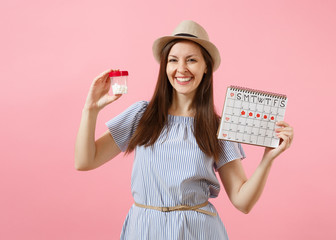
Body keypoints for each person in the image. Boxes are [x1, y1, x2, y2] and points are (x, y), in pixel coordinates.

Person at [75, 20, 294, 240]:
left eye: (191, 60)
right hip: (144, 231)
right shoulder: (141, 115)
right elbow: (85, 161)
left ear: (205, 67)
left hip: (199, 232)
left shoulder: (218, 128)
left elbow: (242, 202)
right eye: (173, 60)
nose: (181, 69)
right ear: (165, 66)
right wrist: (91, 109)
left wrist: (268, 158)